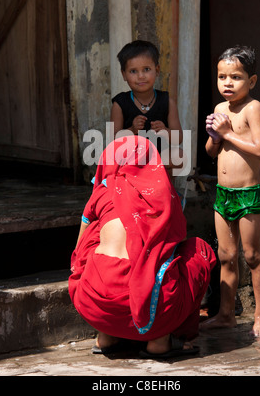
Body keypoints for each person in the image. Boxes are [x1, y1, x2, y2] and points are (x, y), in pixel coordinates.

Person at [69, 135, 216, 358]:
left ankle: (106, 336)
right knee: (198, 250)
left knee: (94, 237)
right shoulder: (163, 195)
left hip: (93, 304)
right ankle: (159, 339)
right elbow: (173, 245)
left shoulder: (102, 191)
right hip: (149, 310)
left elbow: (79, 250)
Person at [202, 45, 260, 336]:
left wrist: (228, 133)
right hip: (223, 194)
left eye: (236, 77)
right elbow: (211, 153)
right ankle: (226, 314)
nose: (227, 83)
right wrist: (215, 137)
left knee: (253, 255)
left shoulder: (252, 108)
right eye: (222, 77)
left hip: (248, 194)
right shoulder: (220, 109)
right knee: (226, 256)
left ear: (251, 81)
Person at [110, 40, 184, 173]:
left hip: (159, 157)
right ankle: (141, 173)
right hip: (132, 157)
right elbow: (113, 141)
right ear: (124, 74)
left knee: (179, 155)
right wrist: (132, 130)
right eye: (133, 71)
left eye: (146, 69)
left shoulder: (167, 101)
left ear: (157, 70)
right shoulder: (120, 103)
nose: (141, 76)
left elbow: (178, 138)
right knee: (117, 158)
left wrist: (165, 131)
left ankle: (162, 186)